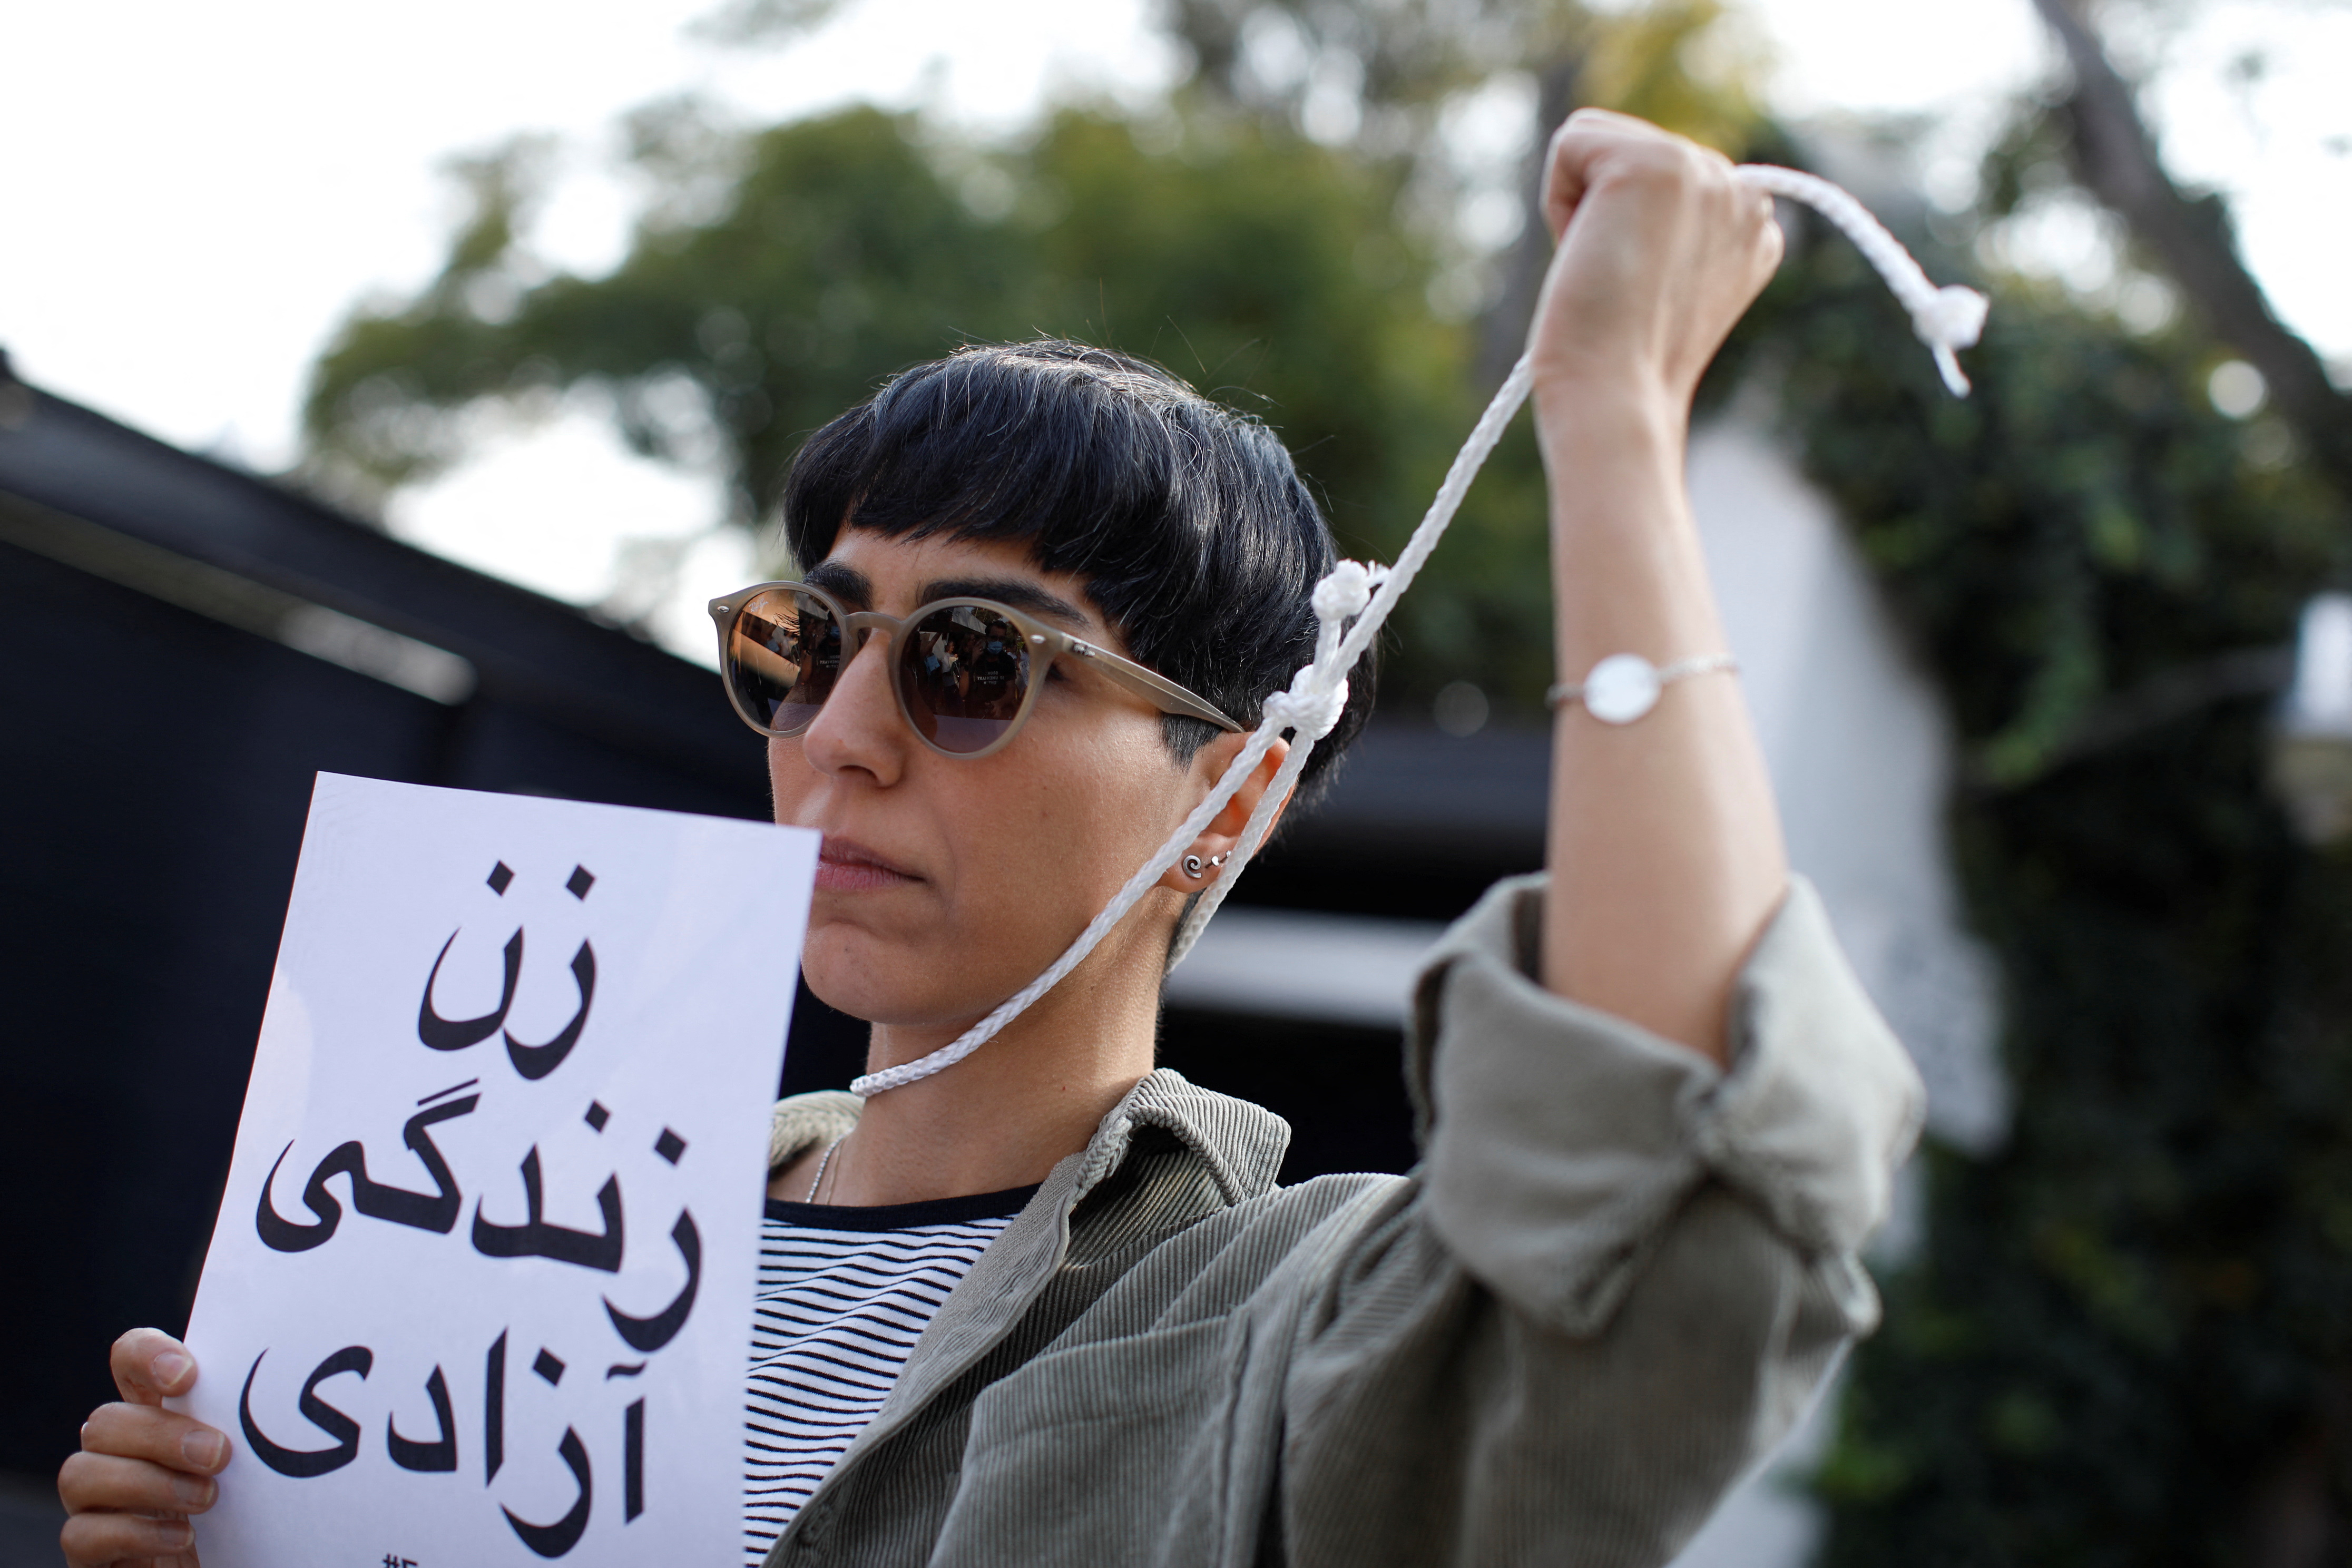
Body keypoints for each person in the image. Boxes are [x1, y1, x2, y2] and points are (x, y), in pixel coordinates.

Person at [58, 110, 1923, 1568]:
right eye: (807, 641)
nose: (842, 741)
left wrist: (1610, 416)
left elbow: (1683, 1202)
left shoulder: (1284, 1331)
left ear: (1230, 794)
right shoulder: (533, 1231)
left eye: (970, 662)